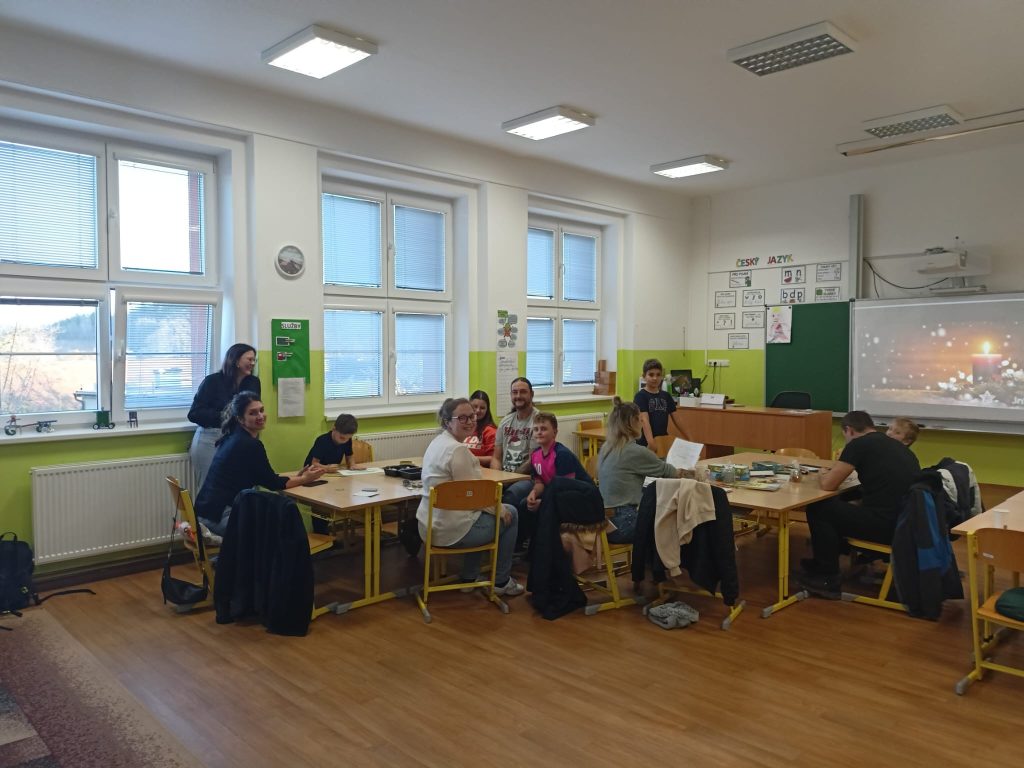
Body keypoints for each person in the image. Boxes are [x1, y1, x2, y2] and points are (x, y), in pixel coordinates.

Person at [799, 410, 921, 598]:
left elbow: (828, 485)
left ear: (849, 430)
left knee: (820, 507)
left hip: (886, 527)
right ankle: (823, 560)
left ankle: (827, 577)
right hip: (906, 524)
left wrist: (823, 474)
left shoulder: (858, 444)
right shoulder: (896, 446)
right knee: (839, 502)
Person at [418, 398, 524, 596]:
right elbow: (475, 497)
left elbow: (470, 495)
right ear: (448, 422)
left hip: (428, 526)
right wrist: (500, 509)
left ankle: (470, 577)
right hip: (450, 532)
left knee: (482, 515)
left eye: (471, 416)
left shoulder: (437, 442)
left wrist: (494, 508)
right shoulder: (458, 450)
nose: (469, 421)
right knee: (511, 513)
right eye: (462, 418)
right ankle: (501, 581)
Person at [193, 392, 327, 537]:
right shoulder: (250, 445)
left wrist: (298, 477)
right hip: (219, 517)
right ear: (240, 419)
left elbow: (265, 477)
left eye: (261, 410)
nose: (260, 416)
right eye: (253, 413)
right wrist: (305, 479)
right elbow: (273, 484)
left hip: (204, 512)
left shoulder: (232, 436)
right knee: (280, 526)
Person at [597, 397, 687, 543]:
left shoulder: (606, 447)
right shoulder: (633, 451)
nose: (643, 422)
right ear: (633, 422)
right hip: (625, 522)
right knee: (676, 523)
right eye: (640, 419)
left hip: (606, 522)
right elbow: (671, 472)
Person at [188, 344, 260, 493]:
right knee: (211, 490)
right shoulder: (212, 381)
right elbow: (195, 413)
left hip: (240, 440)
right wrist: (227, 417)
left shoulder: (253, 382)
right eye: (249, 359)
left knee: (244, 489)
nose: (253, 363)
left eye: (254, 360)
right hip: (211, 439)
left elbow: (254, 410)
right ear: (236, 360)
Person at [520, 412, 593, 546]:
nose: (539, 432)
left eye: (544, 429)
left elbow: (566, 491)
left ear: (554, 432)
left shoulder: (562, 455)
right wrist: (534, 493)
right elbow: (540, 482)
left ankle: (548, 548)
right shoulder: (535, 455)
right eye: (536, 429)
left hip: (580, 499)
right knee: (525, 504)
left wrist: (543, 503)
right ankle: (526, 546)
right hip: (557, 497)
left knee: (545, 511)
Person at [492, 377, 538, 506]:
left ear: (531, 394)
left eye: (523, 392)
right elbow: (496, 457)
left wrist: (509, 479)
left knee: (509, 496)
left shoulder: (538, 421)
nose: (518, 396)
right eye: (514, 392)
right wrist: (497, 478)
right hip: (505, 476)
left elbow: (532, 461)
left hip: (527, 477)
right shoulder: (505, 421)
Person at [633, 358, 685, 448]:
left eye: (658, 375)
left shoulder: (666, 396)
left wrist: (688, 438)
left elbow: (678, 420)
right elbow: (644, 420)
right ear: (644, 376)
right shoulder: (640, 396)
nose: (655, 378)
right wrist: (651, 442)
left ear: (662, 377)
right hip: (645, 443)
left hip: (662, 441)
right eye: (651, 375)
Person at [464, 390, 497, 467]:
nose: (478, 410)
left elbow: (494, 459)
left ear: (487, 410)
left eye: (482, 408)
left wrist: (470, 459)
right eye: (475, 406)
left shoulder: (490, 431)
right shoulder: (462, 427)